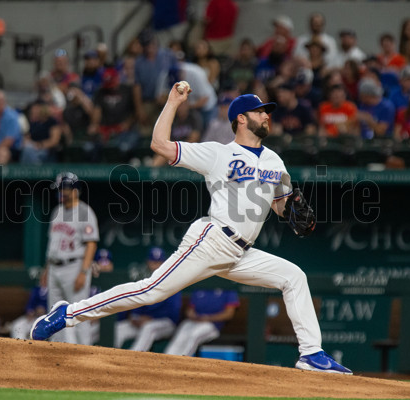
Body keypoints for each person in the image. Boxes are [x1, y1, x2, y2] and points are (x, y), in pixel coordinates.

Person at [31, 84, 353, 375]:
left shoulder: (275, 162)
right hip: (212, 240)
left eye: (267, 112)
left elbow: (283, 205)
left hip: (242, 252)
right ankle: (66, 314)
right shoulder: (219, 152)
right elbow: (160, 144)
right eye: (260, 111)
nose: (266, 116)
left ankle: (311, 353)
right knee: (149, 290)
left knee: (293, 276)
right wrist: (172, 101)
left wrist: (295, 212)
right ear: (241, 119)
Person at [40, 172, 99, 345]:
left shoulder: (84, 212)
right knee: (54, 314)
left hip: (75, 266)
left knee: (78, 312)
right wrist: (47, 269)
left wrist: (83, 272)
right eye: (60, 189)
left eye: (64, 189)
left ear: (76, 190)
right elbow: (53, 244)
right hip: (55, 267)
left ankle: (83, 352)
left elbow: (91, 244)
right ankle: (58, 351)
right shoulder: (57, 211)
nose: (61, 192)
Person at [114, 247, 182, 352]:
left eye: (158, 262)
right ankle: (107, 360)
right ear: (147, 262)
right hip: (142, 322)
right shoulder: (144, 281)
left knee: (149, 328)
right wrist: (135, 317)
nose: (155, 266)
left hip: (166, 324)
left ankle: (132, 360)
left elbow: (173, 314)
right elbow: (136, 305)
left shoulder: (172, 280)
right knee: (119, 328)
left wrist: (151, 318)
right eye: (153, 262)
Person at [164, 288, 238, 357]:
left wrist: (208, 318)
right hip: (195, 321)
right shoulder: (200, 287)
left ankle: (181, 360)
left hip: (212, 324)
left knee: (194, 334)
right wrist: (194, 316)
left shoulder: (228, 290)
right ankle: (167, 358)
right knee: (182, 332)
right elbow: (190, 310)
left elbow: (229, 314)